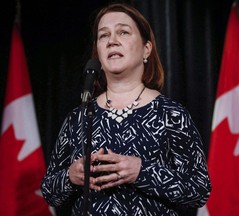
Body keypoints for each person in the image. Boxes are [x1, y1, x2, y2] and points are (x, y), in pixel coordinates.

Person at [41, 3, 211, 215]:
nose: (112, 40)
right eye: (104, 35)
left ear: (146, 49)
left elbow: (199, 189)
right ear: (98, 53)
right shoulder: (80, 117)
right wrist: (70, 176)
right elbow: (49, 191)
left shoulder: (171, 114)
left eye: (123, 32)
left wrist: (142, 171)